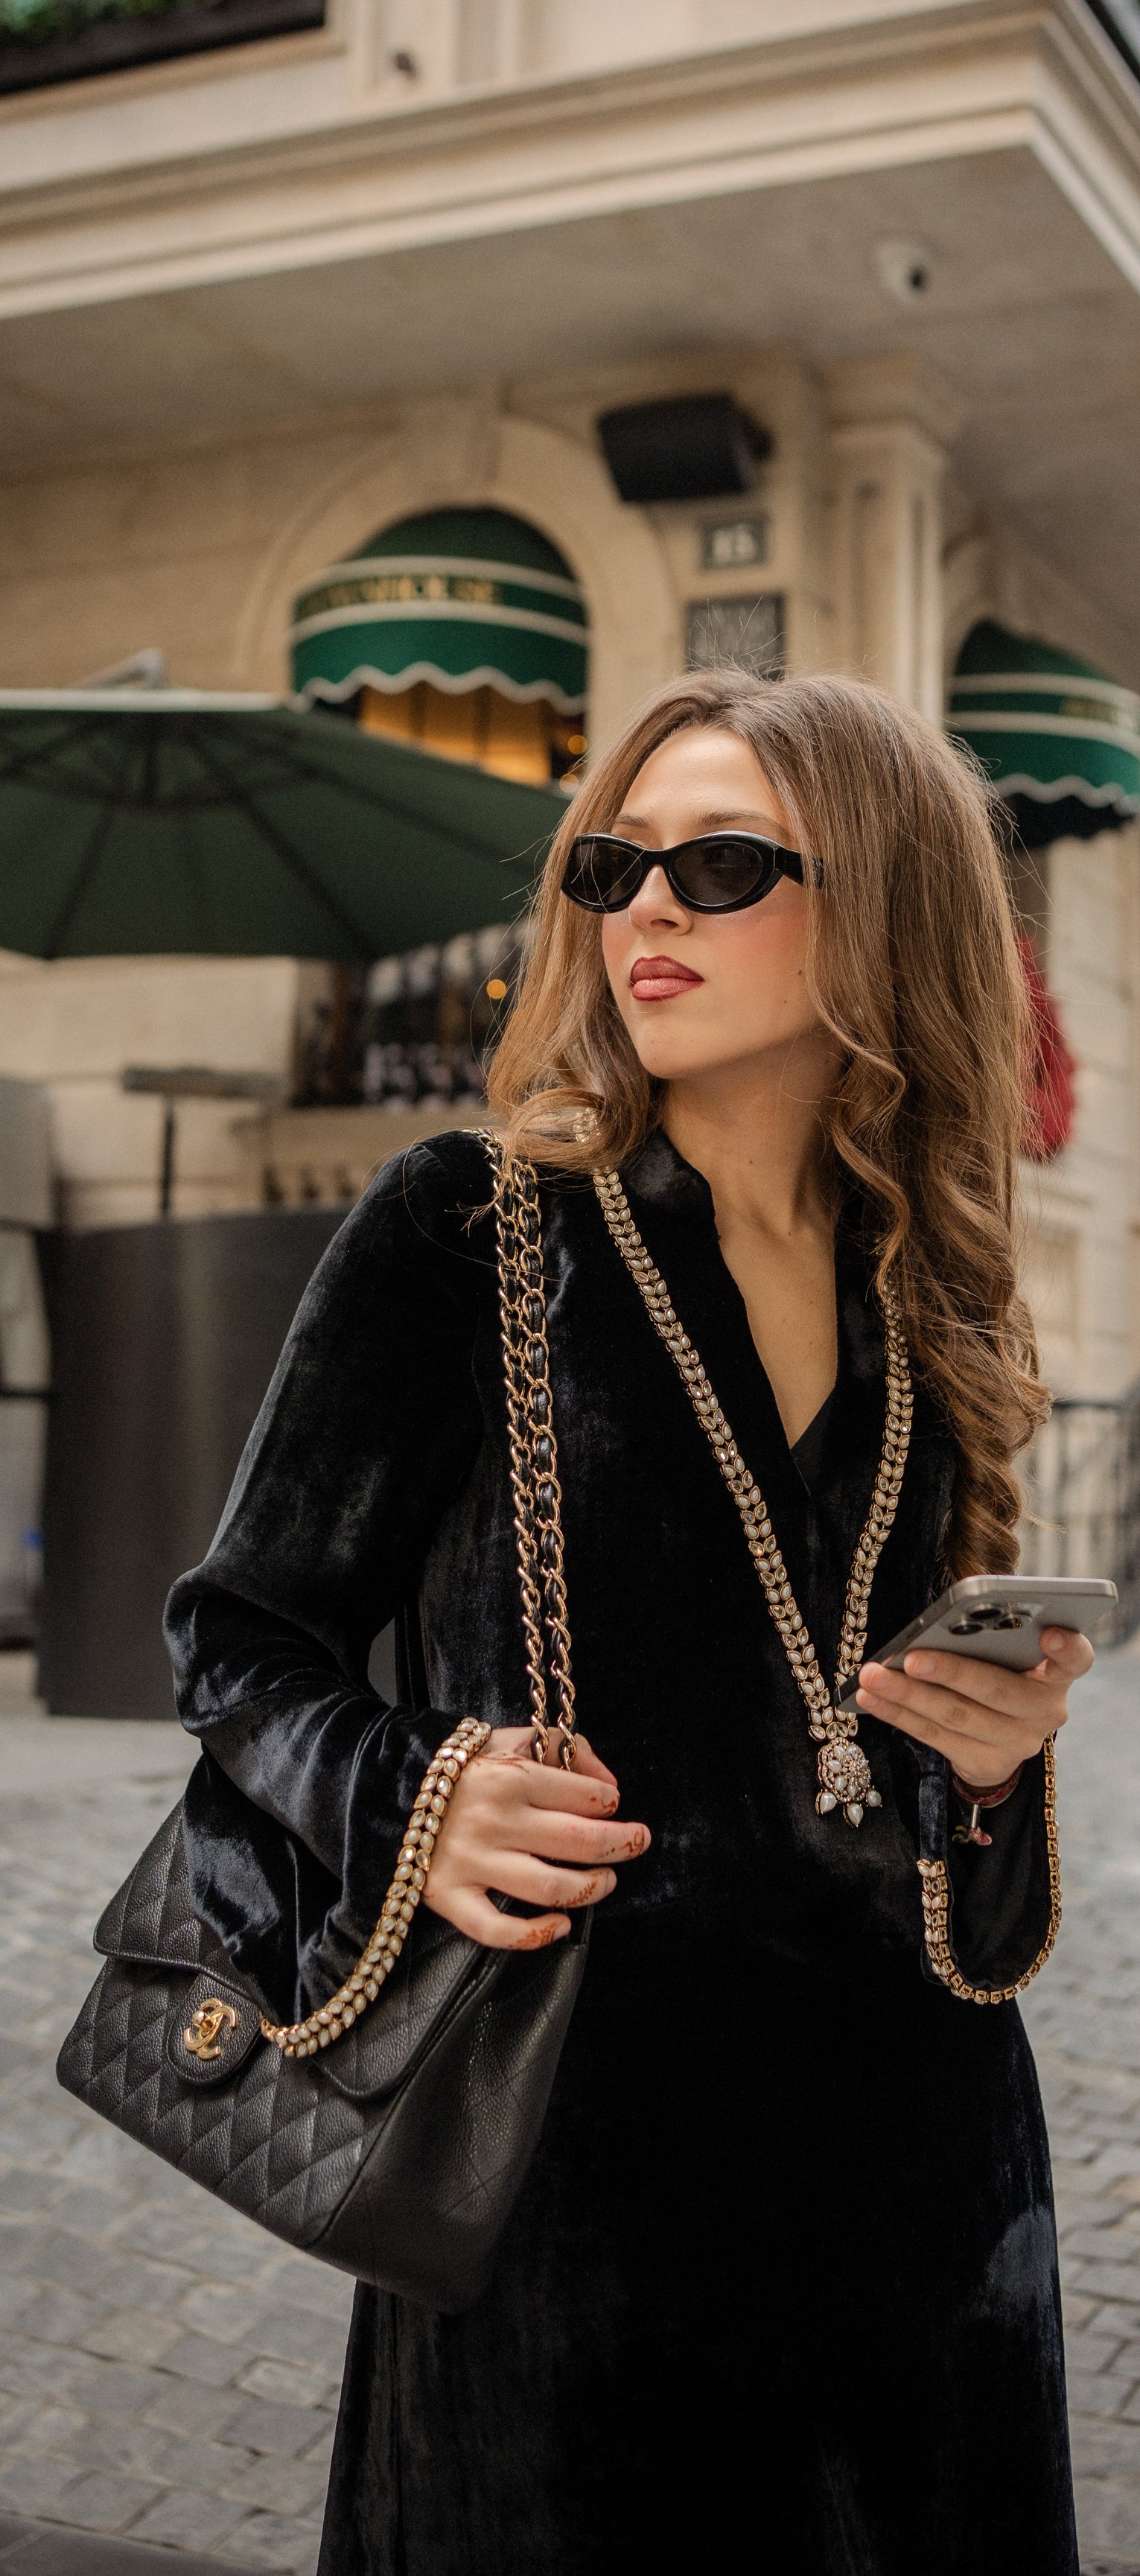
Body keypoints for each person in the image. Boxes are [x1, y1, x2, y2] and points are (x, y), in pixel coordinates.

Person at [166, 670, 1092, 2576]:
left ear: (886, 907)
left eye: (724, 861)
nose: (645, 907)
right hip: (570, 2167)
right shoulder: (466, 1233)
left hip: (925, 2178)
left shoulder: (936, 1303)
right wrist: (427, 1789)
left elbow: (909, 1797)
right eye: (615, 861)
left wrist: (994, 1766)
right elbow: (239, 1639)